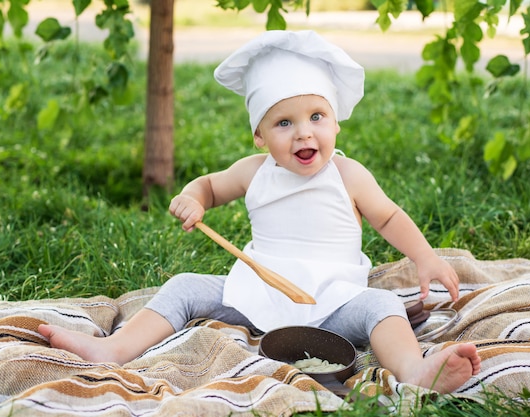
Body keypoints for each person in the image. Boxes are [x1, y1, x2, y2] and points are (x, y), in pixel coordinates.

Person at [38, 30, 480, 393]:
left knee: (382, 303)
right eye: (284, 123)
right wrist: (194, 198)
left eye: (317, 116)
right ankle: (114, 348)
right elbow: (210, 185)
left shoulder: (347, 174)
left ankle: (415, 370)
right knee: (185, 285)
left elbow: (388, 217)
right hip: (257, 291)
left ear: (336, 121)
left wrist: (425, 257)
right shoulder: (254, 172)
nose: (304, 133)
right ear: (260, 135)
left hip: (332, 300)